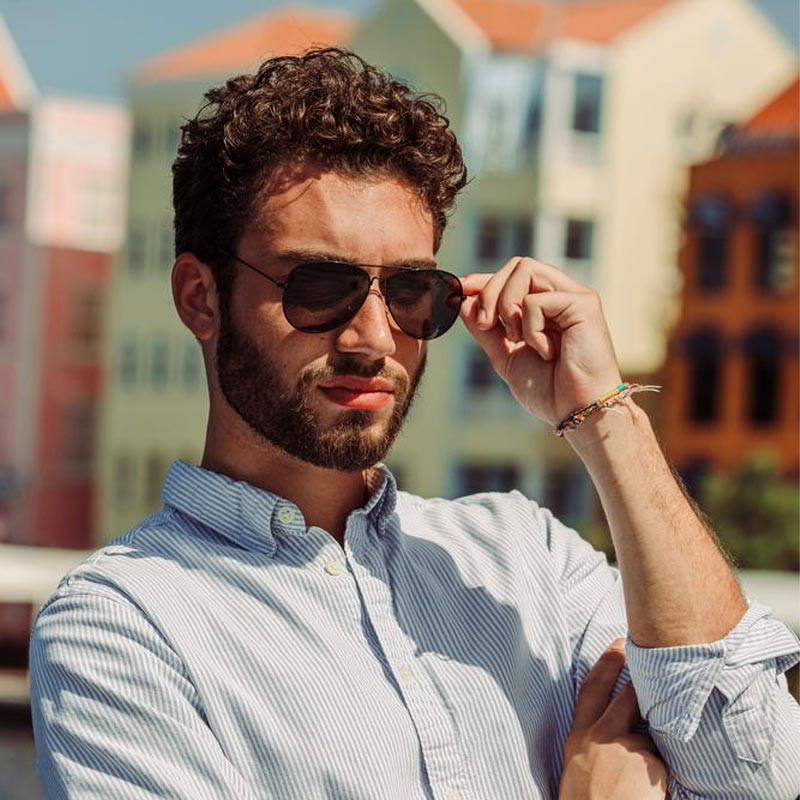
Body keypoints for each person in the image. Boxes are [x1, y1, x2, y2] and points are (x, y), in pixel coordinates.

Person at [29, 48, 798, 800]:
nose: (371, 338)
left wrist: (605, 417)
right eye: (319, 285)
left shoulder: (526, 561)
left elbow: (761, 776)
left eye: (409, 292)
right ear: (201, 297)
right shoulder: (123, 627)